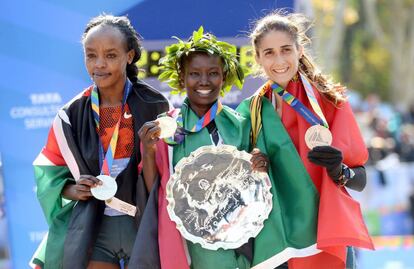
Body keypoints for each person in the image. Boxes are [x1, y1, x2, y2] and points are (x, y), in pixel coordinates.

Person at [128, 27, 321, 269]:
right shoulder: (168, 128)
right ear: (181, 77)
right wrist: (148, 150)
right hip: (198, 247)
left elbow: (261, 180)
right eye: (194, 74)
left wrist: (261, 166)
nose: (204, 81)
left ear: (224, 76)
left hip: (244, 239)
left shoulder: (242, 123)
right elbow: (153, 189)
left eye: (213, 73)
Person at [237, 10, 374, 269]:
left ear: (300, 50)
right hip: (276, 242)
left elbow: (360, 179)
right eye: (269, 52)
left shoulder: (330, 102)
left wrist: (338, 170)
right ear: (257, 58)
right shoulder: (250, 112)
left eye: (286, 49)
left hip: (323, 236)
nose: (279, 60)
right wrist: (254, 167)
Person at [31, 15, 169, 269]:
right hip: (95, 228)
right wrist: (73, 189)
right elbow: (48, 171)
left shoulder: (156, 106)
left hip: (145, 224)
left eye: (111, 55)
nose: (99, 64)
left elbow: (167, 174)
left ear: (129, 56)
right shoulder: (70, 114)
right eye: (91, 55)